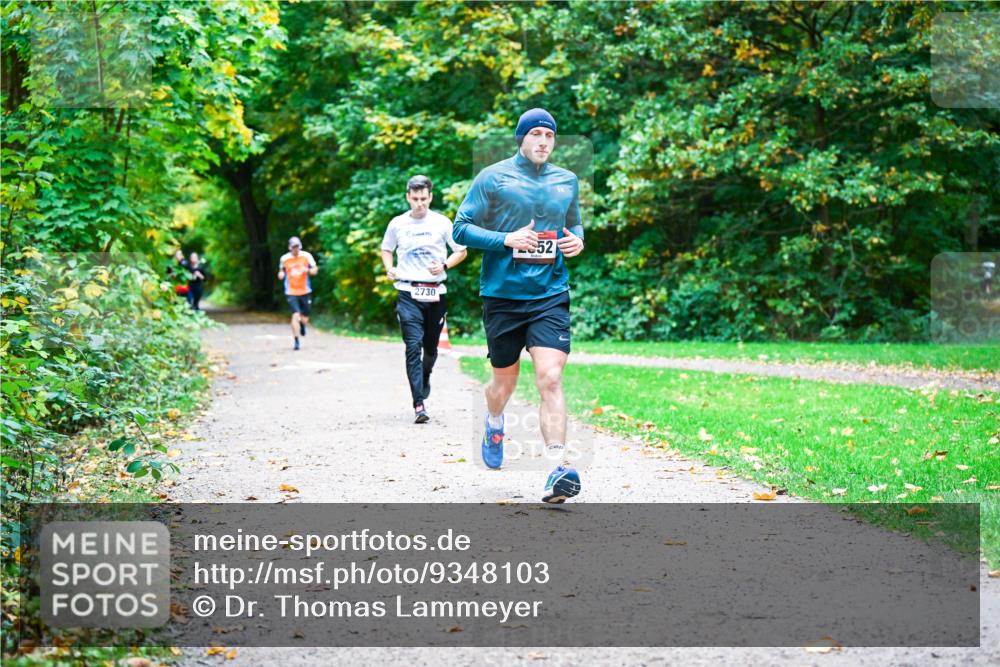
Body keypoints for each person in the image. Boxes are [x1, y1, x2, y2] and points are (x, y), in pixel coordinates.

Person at [452, 108, 586, 503]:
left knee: (550, 377)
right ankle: (494, 421)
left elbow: (574, 224)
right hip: (502, 297)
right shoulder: (492, 178)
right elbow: (460, 228)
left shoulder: (567, 181)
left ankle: (557, 468)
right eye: (536, 134)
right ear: (521, 139)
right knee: (503, 384)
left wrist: (577, 240)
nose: (544, 141)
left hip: (549, 294)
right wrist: (505, 240)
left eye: (550, 135)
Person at [381, 175, 467, 423]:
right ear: (408, 196)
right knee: (411, 346)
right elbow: (387, 249)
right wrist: (390, 267)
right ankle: (419, 404)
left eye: (424, 199)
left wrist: (444, 265)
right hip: (407, 291)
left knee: (430, 348)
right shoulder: (397, 224)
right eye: (415, 198)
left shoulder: (442, 222)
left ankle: (426, 373)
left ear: (430, 197)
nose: (420, 203)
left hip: (435, 293)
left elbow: (461, 251)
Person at [277, 236, 318, 351]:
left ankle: (303, 325)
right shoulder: (284, 259)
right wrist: (281, 274)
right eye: (293, 247)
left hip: (305, 290)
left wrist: (308, 270)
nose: (295, 249)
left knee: (304, 318)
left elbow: (315, 270)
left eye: (297, 247)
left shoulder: (306, 256)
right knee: (295, 315)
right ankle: (296, 341)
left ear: (300, 247)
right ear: (290, 248)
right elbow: (281, 270)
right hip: (291, 291)